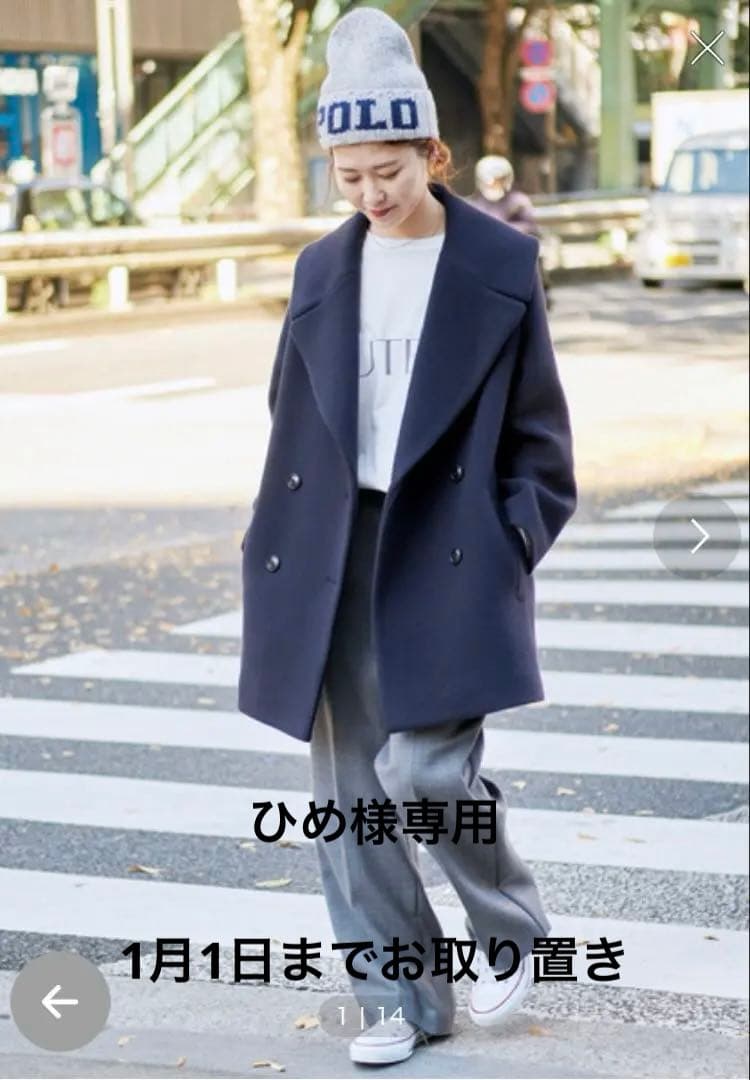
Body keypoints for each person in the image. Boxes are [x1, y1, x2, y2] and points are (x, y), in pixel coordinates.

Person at [238, 5, 576, 1067]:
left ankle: (509, 925)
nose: (370, 193)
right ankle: (398, 998)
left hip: (450, 542)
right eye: (348, 175)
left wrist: (512, 536)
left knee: (425, 774)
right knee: (349, 800)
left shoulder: (501, 264)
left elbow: (540, 439)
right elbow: (290, 416)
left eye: (387, 170)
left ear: (433, 153)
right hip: (334, 547)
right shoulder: (321, 271)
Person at [467, 154, 553, 307]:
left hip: (514, 251)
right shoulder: (474, 205)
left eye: (499, 179)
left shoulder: (518, 201)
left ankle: (541, 296)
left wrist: (504, 231)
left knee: (535, 255)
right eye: (492, 179)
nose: (495, 183)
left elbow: (531, 226)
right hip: (486, 255)